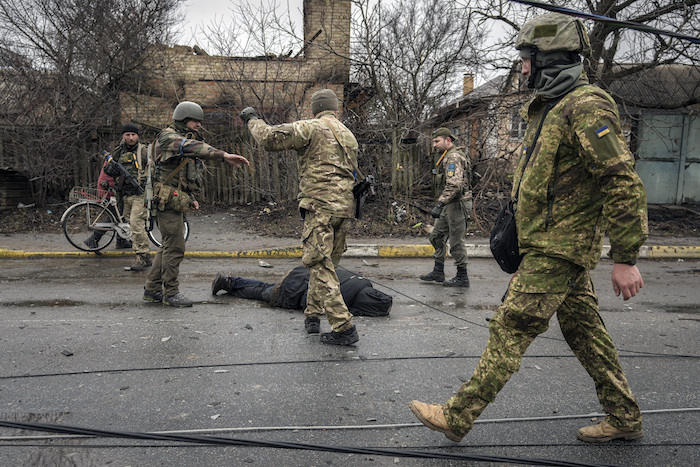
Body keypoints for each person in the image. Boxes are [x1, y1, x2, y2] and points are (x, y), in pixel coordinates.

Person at [409, 13, 648, 444]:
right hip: (549, 245)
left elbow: (621, 180)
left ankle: (458, 416)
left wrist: (626, 257)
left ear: (551, 59)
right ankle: (625, 417)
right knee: (585, 333)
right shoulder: (550, 109)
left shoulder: (587, 105)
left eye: (527, 58)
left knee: (512, 325)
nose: (521, 68)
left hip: (561, 246)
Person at [239, 89, 359, 345]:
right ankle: (313, 315)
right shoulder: (348, 135)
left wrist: (252, 120)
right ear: (336, 109)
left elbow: (270, 139)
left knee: (318, 264)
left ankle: (343, 326)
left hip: (320, 207)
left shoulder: (312, 127)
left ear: (315, 109)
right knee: (327, 266)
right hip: (345, 208)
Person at [143, 101, 249, 307]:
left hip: (174, 199)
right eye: (195, 121)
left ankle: (151, 289)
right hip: (166, 201)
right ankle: (170, 293)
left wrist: (190, 198)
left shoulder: (184, 138)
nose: (199, 125)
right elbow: (189, 147)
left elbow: (178, 175)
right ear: (183, 119)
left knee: (167, 246)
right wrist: (223, 155)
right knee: (175, 247)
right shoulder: (168, 137)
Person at [211, 265, 392, 317]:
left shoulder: (362, 282)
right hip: (293, 289)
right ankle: (228, 284)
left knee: (266, 286)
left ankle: (232, 281)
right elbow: (307, 300)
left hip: (301, 272)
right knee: (262, 293)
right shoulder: (341, 299)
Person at [419, 127, 472, 287]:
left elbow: (454, 185)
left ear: (447, 140)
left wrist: (440, 203)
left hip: (456, 204)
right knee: (436, 236)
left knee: (456, 242)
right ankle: (438, 271)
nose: (434, 145)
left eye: (437, 141)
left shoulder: (454, 157)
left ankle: (462, 277)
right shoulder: (445, 156)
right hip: (449, 204)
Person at [112, 123, 150, 271]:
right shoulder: (118, 152)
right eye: (127, 135)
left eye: (133, 134)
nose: (131, 137)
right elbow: (110, 168)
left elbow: (154, 169)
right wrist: (111, 170)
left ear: (137, 136)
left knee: (136, 224)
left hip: (140, 194)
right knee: (133, 227)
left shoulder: (144, 151)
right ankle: (145, 257)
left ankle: (142, 256)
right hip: (125, 195)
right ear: (123, 136)